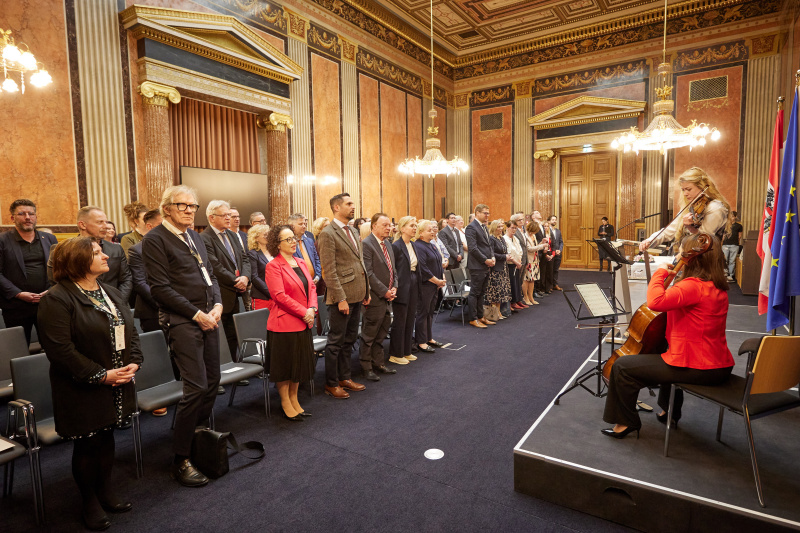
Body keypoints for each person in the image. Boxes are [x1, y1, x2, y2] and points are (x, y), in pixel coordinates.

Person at [38, 237, 142, 530]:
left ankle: (105, 491)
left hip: (116, 379)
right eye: (96, 253)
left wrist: (134, 360)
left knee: (106, 437)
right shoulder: (56, 298)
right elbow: (61, 351)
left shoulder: (109, 291)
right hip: (81, 385)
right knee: (87, 445)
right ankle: (88, 501)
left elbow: (130, 330)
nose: (106, 256)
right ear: (78, 261)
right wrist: (101, 375)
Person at [602, 233, 733, 439]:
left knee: (623, 367)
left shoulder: (693, 286)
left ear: (693, 257)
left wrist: (661, 273)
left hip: (698, 367)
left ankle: (625, 423)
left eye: (682, 251)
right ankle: (668, 412)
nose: (679, 255)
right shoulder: (716, 286)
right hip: (719, 365)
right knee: (665, 352)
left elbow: (655, 302)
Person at [141, 185, 223, 488]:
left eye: (193, 206)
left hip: (208, 317)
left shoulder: (196, 237)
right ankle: (180, 458)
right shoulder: (154, 240)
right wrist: (196, 314)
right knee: (196, 386)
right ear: (167, 209)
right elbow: (160, 288)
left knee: (213, 381)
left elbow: (210, 276)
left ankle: (196, 436)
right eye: (183, 205)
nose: (190, 210)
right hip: (183, 322)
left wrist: (217, 304)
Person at [317, 193, 369, 399]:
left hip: (358, 293)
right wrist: (340, 298)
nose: (353, 207)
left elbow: (360, 263)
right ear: (336, 207)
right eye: (349, 204)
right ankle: (331, 383)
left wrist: (366, 291)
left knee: (349, 339)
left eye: (353, 203)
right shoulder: (328, 234)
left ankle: (344, 377)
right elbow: (329, 271)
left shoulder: (354, 230)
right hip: (342, 297)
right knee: (336, 342)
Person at [263, 225, 317, 421]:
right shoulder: (273, 266)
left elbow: (311, 287)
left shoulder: (300, 262)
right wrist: (304, 312)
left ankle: (294, 399)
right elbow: (279, 296)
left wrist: (312, 309)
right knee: (285, 367)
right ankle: (286, 401)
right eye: (288, 239)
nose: (293, 241)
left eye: (293, 238)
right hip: (284, 324)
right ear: (277, 244)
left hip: (304, 321)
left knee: (298, 365)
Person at [0, 199, 58, 344]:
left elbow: (59, 268)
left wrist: (51, 290)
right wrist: (18, 294)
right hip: (15, 305)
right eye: (22, 214)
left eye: (31, 213)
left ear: (36, 217)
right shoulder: (2, 241)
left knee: (53, 346)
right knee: (18, 347)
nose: (27, 217)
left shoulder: (49, 239)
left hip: (47, 303)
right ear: (12, 218)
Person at [201, 200, 251, 364]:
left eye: (229, 214)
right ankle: (222, 371)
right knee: (221, 336)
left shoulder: (232, 234)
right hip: (221, 294)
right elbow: (214, 266)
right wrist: (236, 280)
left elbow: (245, 259)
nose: (229, 218)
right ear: (212, 217)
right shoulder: (204, 238)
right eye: (224, 215)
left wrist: (245, 277)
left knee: (235, 333)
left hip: (239, 293)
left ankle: (236, 367)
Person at [639, 167, 730, 253]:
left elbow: (704, 240)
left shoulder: (716, 208)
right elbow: (668, 231)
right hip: (686, 258)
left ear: (702, 187)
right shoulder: (690, 207)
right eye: (683, 190)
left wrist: (690, 228)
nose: (685, 193)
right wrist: (650, 241)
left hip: (706, 263)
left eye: (688, 189)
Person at [53, 207, 132, 302]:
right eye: (100, 222)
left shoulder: (116, 249)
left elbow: (126, 279)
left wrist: (117, 301)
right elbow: (57, 280)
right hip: (79, 305)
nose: (106, 226)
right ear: (82, 225)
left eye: (106, 222)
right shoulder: (65, 249)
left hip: (115, 304)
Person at [359, 213, 398, 381]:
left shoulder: (388, 244)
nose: (389, 228)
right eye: (385, 225)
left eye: (389, 225)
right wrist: (384, 291)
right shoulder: (366, 244)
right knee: (369, 335)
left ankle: (378, 363)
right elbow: (368, 273)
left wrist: (395, 286)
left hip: (388, 296)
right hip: (374, 297)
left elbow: (393, 269)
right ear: (373, 226)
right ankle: (366, 367)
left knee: (382, 332)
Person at [389, 216, 419, 366]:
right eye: (411, 225)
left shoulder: (412, 245)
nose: (415, 228)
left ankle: (407, 351)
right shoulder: (396, 245)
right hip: (402, 285)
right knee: (400, 321)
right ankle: (396, 353)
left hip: (413, 282)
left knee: (410, 319)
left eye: (415, 225)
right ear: (402, 228)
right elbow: (393, 270)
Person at [413, 219, 447, 353]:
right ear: (420, 233)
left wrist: (442, 278)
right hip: (426, 285)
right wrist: (437, 281)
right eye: (429, 230)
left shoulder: (431, 244)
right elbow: (424, 268)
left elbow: (439, 262)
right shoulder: (419, 245)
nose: (432, 232)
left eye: (432, 230)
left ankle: (429, 337)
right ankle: (421, 341)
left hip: (435, 284)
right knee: (423, 313)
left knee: (430, 312)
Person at [128, 209, 163, 334]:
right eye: (162, 224)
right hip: (152, 311)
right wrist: (165, 302)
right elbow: (140, 283)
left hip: (180, 309)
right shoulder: (136, 250)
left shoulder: (174, 247)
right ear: (150, 226)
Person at [465, 204, 496, 328]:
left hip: (485, 264)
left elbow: (489, 245)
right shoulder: (471, 227)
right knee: (475, 293)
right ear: (477, 213)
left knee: (482, 292)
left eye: (488, 213)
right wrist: (485, 260)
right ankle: (473, 318)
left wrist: (492, 257)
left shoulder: (484, 227)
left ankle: (480, 316)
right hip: (477, 265)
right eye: (485, 213)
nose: (487, 215)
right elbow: (473, 248)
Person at [485, 220, 512, 321]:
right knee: (494, 292)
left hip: (503, 267)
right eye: (499, 227)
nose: (501, 229)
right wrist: (504, 256)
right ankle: (494, 313)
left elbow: (504, 250)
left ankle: (499, 311)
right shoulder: (491, 239)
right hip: (495, 269)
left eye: (502, 227)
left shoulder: (501, 238)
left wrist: (507, 255)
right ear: (494, 227)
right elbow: (491, 253)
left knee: (501, 292)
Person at [289, 213, 321, 285]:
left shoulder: (309, 241)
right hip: (299, 284)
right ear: (292, 226)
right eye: (300, 224)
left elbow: (316, 260)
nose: (304, 226)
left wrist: (317, 276)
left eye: (304, 224)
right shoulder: (288, 244)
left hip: (314, 283)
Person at [247, 224, 272, 310]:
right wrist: (270, 292)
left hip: (278, 296)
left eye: (269, 234)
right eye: (265, 234)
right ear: (256, 238)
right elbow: (254, 277)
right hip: (262, 297)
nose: (268, 236)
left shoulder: (274, 252)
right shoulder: (253, 254)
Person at [503, 220, 527, 310]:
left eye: (515, 228)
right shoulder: (505, 239)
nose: (514, 230)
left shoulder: (515, 238)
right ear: (507, 228)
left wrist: (519, 261)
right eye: (512, 228)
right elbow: (509, 253)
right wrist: (516, 262)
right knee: (511, 283)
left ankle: (518, 300)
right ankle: (512, 302)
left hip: (517, 264)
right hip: (510, 264)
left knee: (517, 282)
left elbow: (520, 251)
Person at [522, 221, 546, 306]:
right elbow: (529, 249)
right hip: (529, 260)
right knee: (526, 279)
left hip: (535, 260)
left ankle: (531, 297)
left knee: (532, 280)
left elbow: (535, 247)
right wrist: (542, 246)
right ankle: (525, 297)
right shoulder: (525, 236)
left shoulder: (533, 236)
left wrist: (541, 243)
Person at [511, 213, 529, 305]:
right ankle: (516, 300)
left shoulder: (524, 230)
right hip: (518, 259)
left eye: (522, 219)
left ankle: (519, 299)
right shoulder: (514, 231)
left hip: (524, 258)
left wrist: (526, 260)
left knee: (521, 280)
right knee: (517, 281)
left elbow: (525, 246)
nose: (522, 221)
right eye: (519, 220)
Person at [722, 211, 743, 282]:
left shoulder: (739, 226)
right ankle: (724, 274)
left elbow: (739, 236)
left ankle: (730, 275)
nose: (732, 218)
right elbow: (723, 236)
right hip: (725, 244)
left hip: (734, 245)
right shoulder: (725, 225)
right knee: (725, 260)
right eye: (730, 216)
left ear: (735, 217)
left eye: (733, 216)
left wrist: (737, 243)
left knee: (732, 261)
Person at [548, 215, 563, 291]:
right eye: (553, 219)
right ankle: (550, 285)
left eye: (555, 220)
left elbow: (561, 242)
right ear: (549, 221)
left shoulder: (558, 231)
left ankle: (555, 284)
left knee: (556, 270)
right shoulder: (547, 230)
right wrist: (554, 251)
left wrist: (559, 250)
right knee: (550, 270)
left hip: (558, 253)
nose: (554, 221)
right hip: (551, 253)